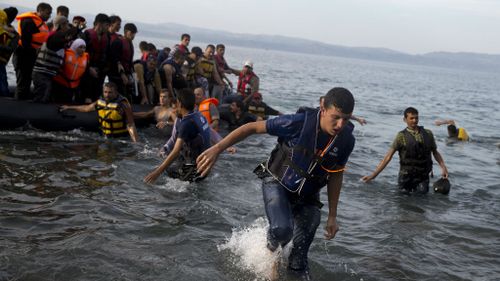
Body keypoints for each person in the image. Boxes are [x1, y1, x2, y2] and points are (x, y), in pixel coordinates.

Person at [196, 87, 357, 278]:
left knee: (299, 263)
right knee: (282, 230)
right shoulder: (298, 123)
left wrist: (332, 215)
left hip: (308, 197)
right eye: (336, 117)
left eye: (346, 119)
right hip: (277, 182)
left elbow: (336, 175)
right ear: (323, 107)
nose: (340, 124)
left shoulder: (346, 140)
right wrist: (217, 149)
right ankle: (270, 252)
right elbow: (251, 128)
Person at [362, 107, 448, 194]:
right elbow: (388, 157)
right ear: (405, 119)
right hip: (406, 176)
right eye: (411, 118)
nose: (414, 120)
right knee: (403, 202)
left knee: (421, 201)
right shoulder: (401, 136)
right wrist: (373, 176)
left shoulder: (428, 134)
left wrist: (443, 167)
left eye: (416, 118)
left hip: (423, 177)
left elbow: (435, 152)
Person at [144, 88, 211, 183]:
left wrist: (157, 173)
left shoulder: (186, 123)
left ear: (179, 103)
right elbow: (210, 133)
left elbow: (176, 151)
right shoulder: (199, 115)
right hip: (206, 167)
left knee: (160, 179)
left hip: (195, 170)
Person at [60, 82, 138, 142]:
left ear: (116, 93)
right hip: (105, 137)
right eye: (105, 92)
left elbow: (130, 124)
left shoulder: (123, 104)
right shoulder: (100, 102)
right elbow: (86, 108)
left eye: (110, 92)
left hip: (121, 138)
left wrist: (135, 143)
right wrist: (69, 107)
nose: (107, 95)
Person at [13, 2, 52, 100]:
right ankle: (17, 106)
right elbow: (25, 42)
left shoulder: (41, 24)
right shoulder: (28, 21)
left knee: (27, 81)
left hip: (31, 56)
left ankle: (24, 105)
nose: (49, 16)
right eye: (47, 13)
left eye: (50, 13)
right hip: (22, 55)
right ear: (40, 11)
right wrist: (36, 50)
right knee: (23, 82)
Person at [31, 26, 73, 102]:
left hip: (48, 74)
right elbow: (58, 41)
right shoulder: (52, 41)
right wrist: (69, 37)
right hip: (41, 73)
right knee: (42, 93)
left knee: (45, 94)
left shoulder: (61, 47)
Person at [80, 13, 110, 102]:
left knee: (96, 96)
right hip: (87, 69)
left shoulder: (107, 37)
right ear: (99, 24)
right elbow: (81, 54)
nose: (107, 28)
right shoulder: (87, 34)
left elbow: (106, 54)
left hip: (99, 71)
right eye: (106, 25)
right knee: (86, 96)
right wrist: (89, 68)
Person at [52, 38, 89, 103]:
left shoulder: (86, 58)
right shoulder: (65, 53)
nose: (82, 50)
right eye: (80, 47)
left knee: (67, 104)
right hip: (60, 83)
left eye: (84, 48)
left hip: (73, 86)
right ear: (75, 46)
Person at [109, 22, 137, 102]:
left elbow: (130, 60)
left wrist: (133, 74)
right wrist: (122, 74)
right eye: (131, 33)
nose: (133, 36)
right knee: (117, 95)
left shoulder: (129, 43)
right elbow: (115, 60)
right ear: (126, 31)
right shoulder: (118, 42)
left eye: (134, 33)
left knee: (125, 95)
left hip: (126, 73)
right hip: (116, 74)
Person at [0, 7, 18, 97]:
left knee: (2, 80)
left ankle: (5, 98)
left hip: (1, 60)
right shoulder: (14, 34)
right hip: (3, 60)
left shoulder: (14, 34)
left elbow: (11, 48)